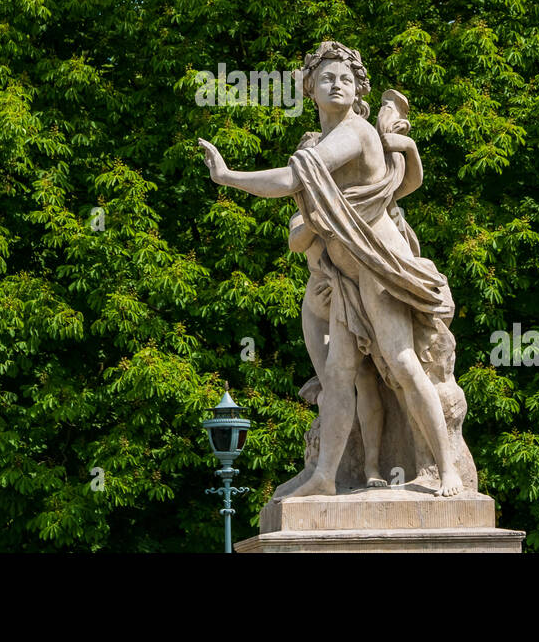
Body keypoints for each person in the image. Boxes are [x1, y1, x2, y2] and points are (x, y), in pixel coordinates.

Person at [198, 42, 464, 497]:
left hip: (379, 267)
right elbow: (302, 220)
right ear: (310, 90)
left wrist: (229, 177)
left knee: (402, 363)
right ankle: (325, 475)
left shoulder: (356, 132)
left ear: (358, 88)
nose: (336, 84)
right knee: (338, 376)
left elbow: (291, 179)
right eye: (326, 78)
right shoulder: (320, 141)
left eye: (345, 78)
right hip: (343, 277)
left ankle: (447, 469)